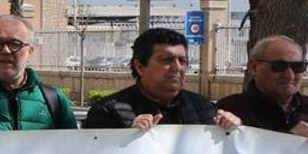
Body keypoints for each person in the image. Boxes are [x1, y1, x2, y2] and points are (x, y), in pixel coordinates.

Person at [83, 29, 241, 132]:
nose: (177, 67)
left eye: (183, 61)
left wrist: (232, 130)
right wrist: (126, 137)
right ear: (140, 67)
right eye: (167, 60)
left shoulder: (203, 108)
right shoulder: (109, 112)